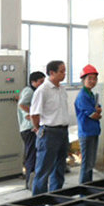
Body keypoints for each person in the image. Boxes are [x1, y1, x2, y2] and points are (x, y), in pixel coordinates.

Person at [30, 60, 70, 195]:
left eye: (65, 71)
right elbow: (34, 114)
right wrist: (39, 129)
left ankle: (56, 200)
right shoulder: (43, 90)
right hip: (49, 133)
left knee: (59, 169)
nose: (64, 74)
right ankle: (38, 204)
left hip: (63, 132)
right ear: (52, 73)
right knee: (43, 171)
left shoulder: (62, 89)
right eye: (61, 71)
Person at [17, 71, 45, 189]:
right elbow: (22, 104)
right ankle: (30, 181)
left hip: (32, 127)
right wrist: (33, 113)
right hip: (29, 129)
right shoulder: (29, 91)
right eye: (41, 82)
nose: (43, 84)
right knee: (31, 155)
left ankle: (34, 181)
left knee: (34, 154)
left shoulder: (35, 91)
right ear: (33, 82)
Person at [74, 65, 102, 184]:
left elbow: (97, 110)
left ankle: (88, 186)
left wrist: (97, 111)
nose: (92, 81)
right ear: (83, 80)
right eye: (89, 78)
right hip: (86, 132)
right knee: (86, 163)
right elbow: (93, 114)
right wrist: (97, 113)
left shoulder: (90, 94)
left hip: (93, 131)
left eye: (94, 79)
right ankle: (83, 189)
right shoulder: (82, 96)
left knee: (91, 162)